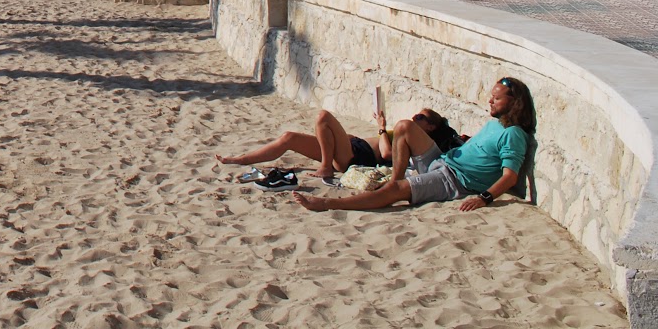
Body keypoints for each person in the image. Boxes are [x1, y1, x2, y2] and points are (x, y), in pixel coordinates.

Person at [295, 77, 535, 213]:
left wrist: (484, 198)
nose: (490, 100)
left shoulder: (514, 134)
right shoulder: (496, 123)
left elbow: (510, 176)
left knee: (397, 193)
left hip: (454, 180)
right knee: (403, 127)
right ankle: (394, 180)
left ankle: (328, 204)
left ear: (515, 103)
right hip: (444, 160)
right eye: (492, 95)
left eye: (497, 98)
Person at [215, 106, 453, 182]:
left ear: (431, 127)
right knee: (289, 137)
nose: (414, 119)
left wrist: (382, 127)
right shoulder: (406, 130)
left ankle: (326, 166)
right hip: (353, 147)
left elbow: (387, 153)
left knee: (323, 117)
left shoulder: (415, 140)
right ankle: (239, 160)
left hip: (357, 156)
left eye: (420, 118)